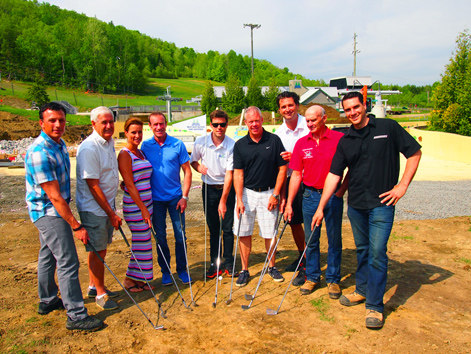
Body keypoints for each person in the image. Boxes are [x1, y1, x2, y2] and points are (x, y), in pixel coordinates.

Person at [312, 92, 422, 329]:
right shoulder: (346, 139)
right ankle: (361, 290)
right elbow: (334, 174)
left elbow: (415, 153)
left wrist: (402, 186)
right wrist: (322, 206)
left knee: (377, 252)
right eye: (348, 109)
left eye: (356, 107)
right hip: (356, 206)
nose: (353, 112)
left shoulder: (388, 127)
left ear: (365, 106)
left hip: (382, 205)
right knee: (363, 250)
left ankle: (375, 305)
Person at [25, 102, 103, 331]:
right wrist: (76, 226)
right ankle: (76, 314)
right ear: (41, 123)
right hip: (49, 212)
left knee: (48, 255)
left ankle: (48, 300)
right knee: (68, 260)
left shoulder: (58, 145)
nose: (58, 124)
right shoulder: (39, 153)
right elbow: (55, 197)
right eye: (52, 120)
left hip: (54, 209)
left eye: (61, 120)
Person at [285, 105, 347, 298]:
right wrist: (289, 203)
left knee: (334, 240)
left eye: (314, 120)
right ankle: (312, 276)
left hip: (333, 197)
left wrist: (341, 191)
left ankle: (333, 280)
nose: (310, 123)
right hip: (310, 196)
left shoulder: (339, 140)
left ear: (324, 118)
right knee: (311, 239)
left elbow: (352, 167)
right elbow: (296, 175)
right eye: (308, 121)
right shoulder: (301, 143)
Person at [233, 106, 288, 287]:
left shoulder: (274, 140)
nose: (254, 124)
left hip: (269, 194)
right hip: (247, 194)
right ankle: (244, 269)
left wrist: (276, 194)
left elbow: (282, 169)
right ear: (246, 123)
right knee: (244, 232)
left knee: (269, 233)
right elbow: (238, 174)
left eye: (257, 120)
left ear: (262, 120)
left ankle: (271, 266)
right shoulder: (240, 144)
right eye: (250, 121)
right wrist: (239, 199)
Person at [76, 106, 122, 311]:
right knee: (98, 249)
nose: (109, 125)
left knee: (98, 249)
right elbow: (93, 186)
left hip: (106, 207)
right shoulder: (89, 148)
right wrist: (111, 214)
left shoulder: (109, 142)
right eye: (103, 122)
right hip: (94, 209)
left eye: (111, 121)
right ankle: (101, 295)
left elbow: (108, 172)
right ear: (93, 124)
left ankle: (94, 286)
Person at [141, 112, 193, 286]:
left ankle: (182, 270)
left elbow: (187, 171)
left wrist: (184, 196)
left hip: (176, 199)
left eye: (161, 123)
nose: (159, 127)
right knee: (160, 237)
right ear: (150, 126)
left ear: (166, 124)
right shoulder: (145, 146)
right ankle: (165, 271)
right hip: (155, 201)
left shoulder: (177, 144)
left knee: (180, 236)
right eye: (155, 124)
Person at [190, 110, 237, 278]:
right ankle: (214, 262)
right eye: (216, 124)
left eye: (222, 124)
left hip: (227, 189)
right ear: (210, 125)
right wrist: (198, 167)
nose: (219, 128)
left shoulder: (232, 144)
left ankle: (229, 261)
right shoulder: (201, 142)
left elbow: (230, 174)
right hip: (208, 189)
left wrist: (223, 200)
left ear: (226, 125)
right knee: (213, 229)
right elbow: (193, 161)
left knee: (227, 228)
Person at [274, 92, 309, 285]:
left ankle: (310, 261)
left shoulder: (310, 125)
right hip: (291, 182)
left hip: (311, 182)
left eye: (290, 105)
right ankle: (303, 256)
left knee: (312, 223)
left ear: (297, 105)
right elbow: (280, 167)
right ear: (279, 110)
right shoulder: (279, 134)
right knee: (294, 221)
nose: (287, 109)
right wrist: (281, 194)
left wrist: (295, 155)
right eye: (283, 107)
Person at [118, 117, 155, 292]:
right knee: (141, 241)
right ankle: (128, 279)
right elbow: (130, 184)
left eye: (140, 132)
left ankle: (140, 279)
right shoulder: (125, 154)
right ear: (126, 133)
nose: (137, 135)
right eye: (133, 132)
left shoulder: (141, 153)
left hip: (147, 204)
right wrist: (143, 209)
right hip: (136, 206)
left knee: (144, 242)